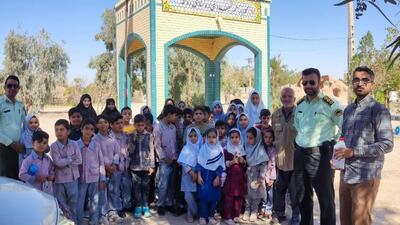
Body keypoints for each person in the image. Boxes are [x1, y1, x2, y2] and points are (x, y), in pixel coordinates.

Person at [336, 66, 393, 225]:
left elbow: (387, 144)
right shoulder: (348, 110)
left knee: (360, 221)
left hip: (366, 176)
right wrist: (338, 156)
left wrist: (353, 152)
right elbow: (344, 137)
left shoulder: (379, 110)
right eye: (356, 80)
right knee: (345, 220)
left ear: (372, 84)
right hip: (346, 174)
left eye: (364, 80)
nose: (359, 83)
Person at [294, 68, 343, 225]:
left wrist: (334, 143)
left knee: (325, 199)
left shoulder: (330, 104)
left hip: (320, 155)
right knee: (302, 197)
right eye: (305, 82)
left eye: (312, 82)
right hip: (301, 154)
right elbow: (298, 126)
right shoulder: (300, 104)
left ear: (319, 82)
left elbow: (345, 126)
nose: (308, 85)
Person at [271, 87, 300, 224]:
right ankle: (279, 213)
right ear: (281, 98)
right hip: (279, 160)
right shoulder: (275, 115)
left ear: (294, 99)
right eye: (284, 96)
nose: (287, 99)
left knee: (295, 192)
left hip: (295, 160)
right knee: (280, 189)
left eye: (290, 96)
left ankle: (295, 216)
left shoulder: (301, 114)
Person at [50, 119, 82, 223]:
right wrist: (70, 159)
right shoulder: (54, 146)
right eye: (56, 130)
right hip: (60, 180)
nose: (58, 132)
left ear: (68, 131)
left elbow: (79, 160)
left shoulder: (74, 144)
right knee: (62, 205)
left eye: (61, 129)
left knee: (73, 204)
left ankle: (74, 222)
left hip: (73, 178)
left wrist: (65, 162)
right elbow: (58, 163)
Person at [93, 115, 123, 223]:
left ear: (108, 124)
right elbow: (96, 156)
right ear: (97, 125)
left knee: (113, 191)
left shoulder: (112, 138)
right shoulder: (95, 139)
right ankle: (103, 214)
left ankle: (113, 212)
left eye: (105, 122)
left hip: (113, 169)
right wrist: (106, 167)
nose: (103, 124)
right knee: (102, 193)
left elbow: (117, 152)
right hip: (101, 171)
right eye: (100, 122)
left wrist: (114, 165)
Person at [76, 119, 106, 225]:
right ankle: (78, 221)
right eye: (86, 129)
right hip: (80, 179)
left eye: (92, 129)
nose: (89, 131)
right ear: (81, 129)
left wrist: (102, 179)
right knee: (79, 203)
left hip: (94, 177)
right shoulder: (75, 145)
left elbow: (101, 162)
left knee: (95, 201)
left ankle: (93, 221)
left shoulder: (96, 145)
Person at [154, 105, 180, 215]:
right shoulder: (158, 127)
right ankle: (161, 204)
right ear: (169, 115)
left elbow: (174, 143)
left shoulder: (173, 127)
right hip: (164, 161)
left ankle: (169, 204)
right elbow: (157, 145)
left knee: (171, 183)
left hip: (174, 159)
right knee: (163, 183)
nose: (176, 118)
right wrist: (164, 158)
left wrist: (175, 157)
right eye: (175, 115)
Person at [128, 114, 156, 218]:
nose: (140, 127)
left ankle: (145, 206)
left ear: (145, 125)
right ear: (134, 125)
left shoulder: (149, 135)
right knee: (136, 187)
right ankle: (138, 206)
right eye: (138, 125)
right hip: (135, 167)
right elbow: (129, 152)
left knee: (145, 187)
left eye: (142, 125)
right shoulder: (131, 136)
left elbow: (151, 151)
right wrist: (134, 140)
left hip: (146, 166)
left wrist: (152, 165)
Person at [196, 128, 225, 225]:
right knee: (203, 197)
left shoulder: (220, 149)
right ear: (206, 138)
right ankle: (203, 216)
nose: (211, 139)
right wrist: (199, 176)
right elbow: (199, 163)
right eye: (209, 137)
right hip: (204, 176)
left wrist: (217, 177)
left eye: (214, 137)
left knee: (213, 198)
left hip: (214, 177)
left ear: (217, 137)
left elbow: (221, 165)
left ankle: (211, 216)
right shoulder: (203, 148)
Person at [0, 75, 25, 179]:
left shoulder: (20, 105)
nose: (12, 88)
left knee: (17, 177)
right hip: (3, 148)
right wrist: (11, 143)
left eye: (15, 86)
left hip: (18, 149)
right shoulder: (1, 103)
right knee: (5, 180)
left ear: (18, 89)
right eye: (9, 85)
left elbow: (25, 125)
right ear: (4, 87)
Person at [242, 127, 269, 223]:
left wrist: (261, 176)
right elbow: (245, 161)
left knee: (256, 194)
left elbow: (264, 164)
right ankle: (247, 210)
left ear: (257, 138)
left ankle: (254, 211)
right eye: (247, 137)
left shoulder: (260, 149)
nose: (249, 140)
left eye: (251, 138)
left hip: (257, 177)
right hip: (248, 175)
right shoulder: (246, 147)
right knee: (247, 194)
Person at [177, 127, 202, 223]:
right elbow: (183, 162)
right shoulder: (185, 148)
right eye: (190, 136)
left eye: (195, 136)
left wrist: (197, 174)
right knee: (187, 196)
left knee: (196, 195)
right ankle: (195, 212)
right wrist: (191, 173)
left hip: (199, 174)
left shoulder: (202, 147)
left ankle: (190, 213)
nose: (193, 138)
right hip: (188, 175)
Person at [222, 128, 247, 225]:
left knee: (239, 196)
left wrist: (243, 161)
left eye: (236, 137)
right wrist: (232, 162)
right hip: (231, 177)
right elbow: (224, 164)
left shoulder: (242, 149)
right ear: (229, 139)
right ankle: (228, 216)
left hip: (240, 177)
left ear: (240, 138)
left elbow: (245, 163)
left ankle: (236, 215)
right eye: (232, 137)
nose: (234, 139)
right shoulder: (226, 149)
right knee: (229, 197)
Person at [19, 130, 54, 194]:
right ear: (33, 142)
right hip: (33, 192)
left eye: (44, 143)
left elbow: (52, 170)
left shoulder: (48, 159)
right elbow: (22, 175)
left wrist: (51, 176)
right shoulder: (28, 160)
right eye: (39, 142)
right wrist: (35, 178)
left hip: (47, 191)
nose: (41, 145)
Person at [109, 114, 131, 214]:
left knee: (126, 185)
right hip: (115, 167)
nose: (120, 125)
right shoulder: (109, 137)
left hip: (125, 165)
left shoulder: (125, 135)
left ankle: (127, 204)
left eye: (121, 123)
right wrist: (115, 164)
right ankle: (117, 208)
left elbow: (128, 149)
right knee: (115, 188)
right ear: (111, 125)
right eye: (117, 123)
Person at [260, 129, 276, 220]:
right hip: (262, 175)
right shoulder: (261, 148)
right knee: (263, 193)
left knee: (270, 194)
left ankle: (269, 209)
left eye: (270, 137)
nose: (268, 139)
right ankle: (263, 208)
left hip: (270, 175)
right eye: (266, 137)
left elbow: (273, 165)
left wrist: (271, 178)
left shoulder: (273, 149)